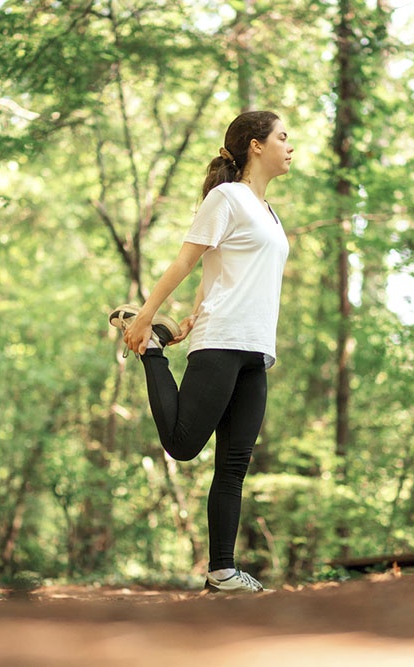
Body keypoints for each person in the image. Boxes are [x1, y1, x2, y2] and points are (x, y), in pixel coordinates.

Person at [109, 110, 293, 593]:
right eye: (282, 137)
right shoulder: (226, 197)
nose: (289, 146)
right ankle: (152, 352)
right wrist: (148, 315)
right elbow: (188, 259)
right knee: (184, 444)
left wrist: (189, 316)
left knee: (234, 465)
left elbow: (222, 267)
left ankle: (222, 572)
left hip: (256, 348)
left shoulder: (269, 212)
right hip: (224, 339)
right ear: (256, 145)